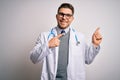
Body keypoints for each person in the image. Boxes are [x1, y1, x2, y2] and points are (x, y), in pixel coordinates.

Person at [30, 3, 102, 80]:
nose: (64, 18)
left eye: (68, 15)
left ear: (72, 18)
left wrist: (94, 45)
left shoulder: (80, 37)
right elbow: (34, 59)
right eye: (61, 14)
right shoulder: (44, 36)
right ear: (57, 16)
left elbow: (88, 59)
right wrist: (48, 45)